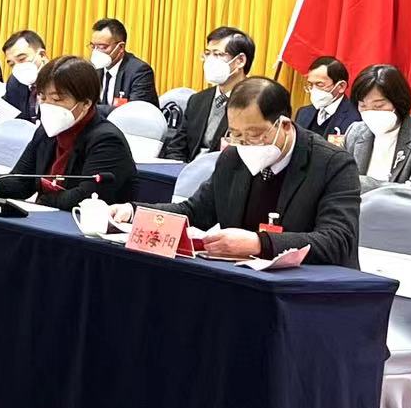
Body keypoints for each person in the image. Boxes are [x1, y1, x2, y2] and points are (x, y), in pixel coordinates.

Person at [121, 77, 361, 267]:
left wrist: (259, 243)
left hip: (311, 291)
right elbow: (195, 211)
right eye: (236, 134)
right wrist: (133, 212)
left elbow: (337, 241)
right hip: (244, 278)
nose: (245, 144)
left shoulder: (332, 164)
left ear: (284, 125)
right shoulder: (233, 157)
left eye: (254, 135)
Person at [0, 56, 136, 210]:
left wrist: (41, 200)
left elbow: (86, 198)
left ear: (86, 103)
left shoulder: (106, 140)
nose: (48, 106)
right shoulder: (46, 132)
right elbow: (21, 182)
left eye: (57, 99)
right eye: (43, 98)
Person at [342, 63, 411, 197]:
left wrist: (358, 182)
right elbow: (338, 179)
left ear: (398, 102)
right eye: (363, 106)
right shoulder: (355, 132)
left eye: (378, 106)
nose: (370, 112)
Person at [161, 27, 254, 161]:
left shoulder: (254, 102)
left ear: (240, 61)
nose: (210, 60)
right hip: (189, 169)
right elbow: (176, 148)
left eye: (217, 54)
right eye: (207, 54)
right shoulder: (197, 100)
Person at [88, 18, 157, 106]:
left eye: (102, 47)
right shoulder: (93, 70)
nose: (96, 52)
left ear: (121, 47)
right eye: (93, 46)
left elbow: (135, 110)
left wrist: (93, 110)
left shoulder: (140, 72)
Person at [295, 55, 360, 144]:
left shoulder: (356, 118)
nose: (314, 90)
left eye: (319, 85)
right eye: (311, 84)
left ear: (341, 86)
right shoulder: (303, 113)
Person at [0, 29, 47, 123]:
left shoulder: (61, 81)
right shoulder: (14, 83)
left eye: (22, 59)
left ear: (42, 55)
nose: (18, 67)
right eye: (12, 64)